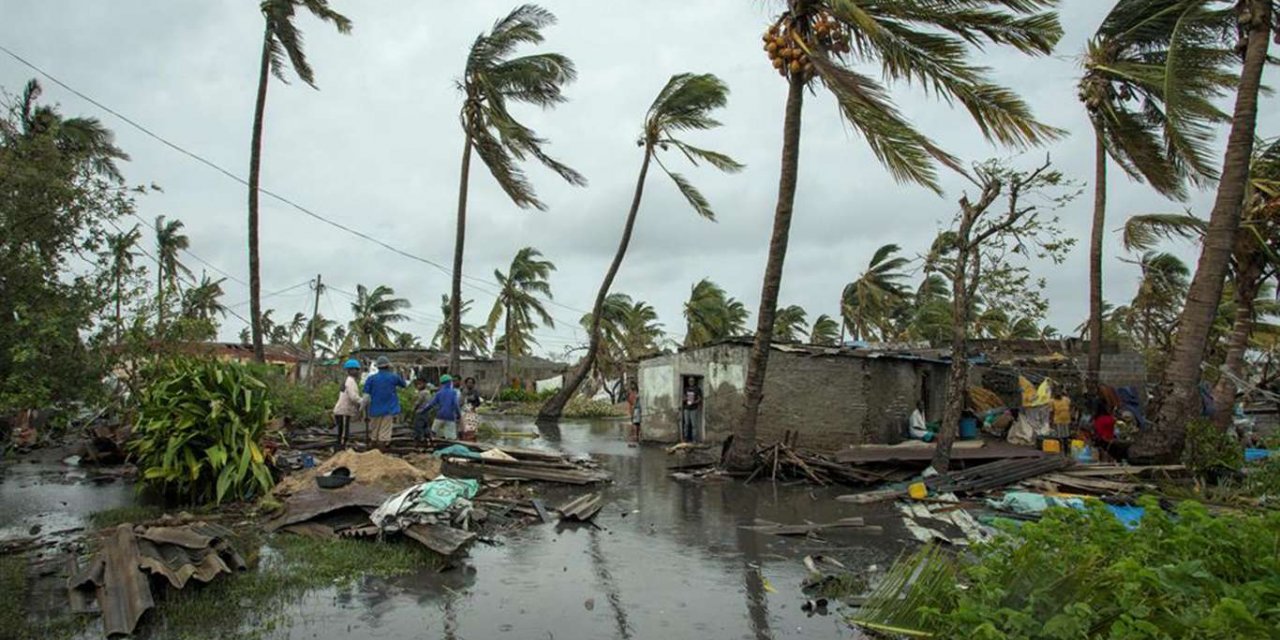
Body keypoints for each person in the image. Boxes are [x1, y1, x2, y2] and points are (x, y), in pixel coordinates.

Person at [362, 356, 407, 448]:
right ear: (388, 366)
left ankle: (372, 449)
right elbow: (403, 384)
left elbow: (366, 395)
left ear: (377, 367)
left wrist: (362, 407)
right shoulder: (393, 377)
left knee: (374, 432)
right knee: (384, 433)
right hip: (389, 409)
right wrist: (402, 373)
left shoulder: (371, 378)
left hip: (375, 409)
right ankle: (381, 452)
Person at [332, 359, 363, 447]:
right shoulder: (350, 382)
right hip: (343, 411)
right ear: (349, 370)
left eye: (357, 369)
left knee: (343, 432)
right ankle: (340, 450)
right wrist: (363, 401)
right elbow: (353, 397)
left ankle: (341, 449)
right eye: (355, 369)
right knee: (343, 434)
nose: (357, 371)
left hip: (344, 411)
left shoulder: (349, 381)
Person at [422, 374, 462, 440]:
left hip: (440, 415)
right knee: (450, 436)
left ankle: (431, 444)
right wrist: (459, 415)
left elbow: (431, 404)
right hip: (450, 416)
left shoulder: (439, 393)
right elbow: (455, 404)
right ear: (449, 382)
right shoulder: (453, 393)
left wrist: (423, 411)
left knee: (433, 432)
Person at [410, 377, 433, 443]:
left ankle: (420, 440)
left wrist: (413, 409)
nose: (418, 386)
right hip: (427, 412)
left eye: (420, 384)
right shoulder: (428, 392)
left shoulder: (422, 393)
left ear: (424, 384)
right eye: (417, 384)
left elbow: (417, 403)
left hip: (420, 412)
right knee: (425, 427)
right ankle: (428, 439)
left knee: (418, 427)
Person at [681, 376, 702, 443]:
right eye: (690, 381)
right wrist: (686, 398)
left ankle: (694, 439)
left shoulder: (697, 389)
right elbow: (683, 399)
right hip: (686, 409)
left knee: (694, 425)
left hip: (694, 409)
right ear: (688, 381)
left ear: (694, 381)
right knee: (686, 424)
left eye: (692, 381)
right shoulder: (686, 389)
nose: (691, 382)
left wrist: (694, 402)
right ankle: (686, 438)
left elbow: (699, 399)